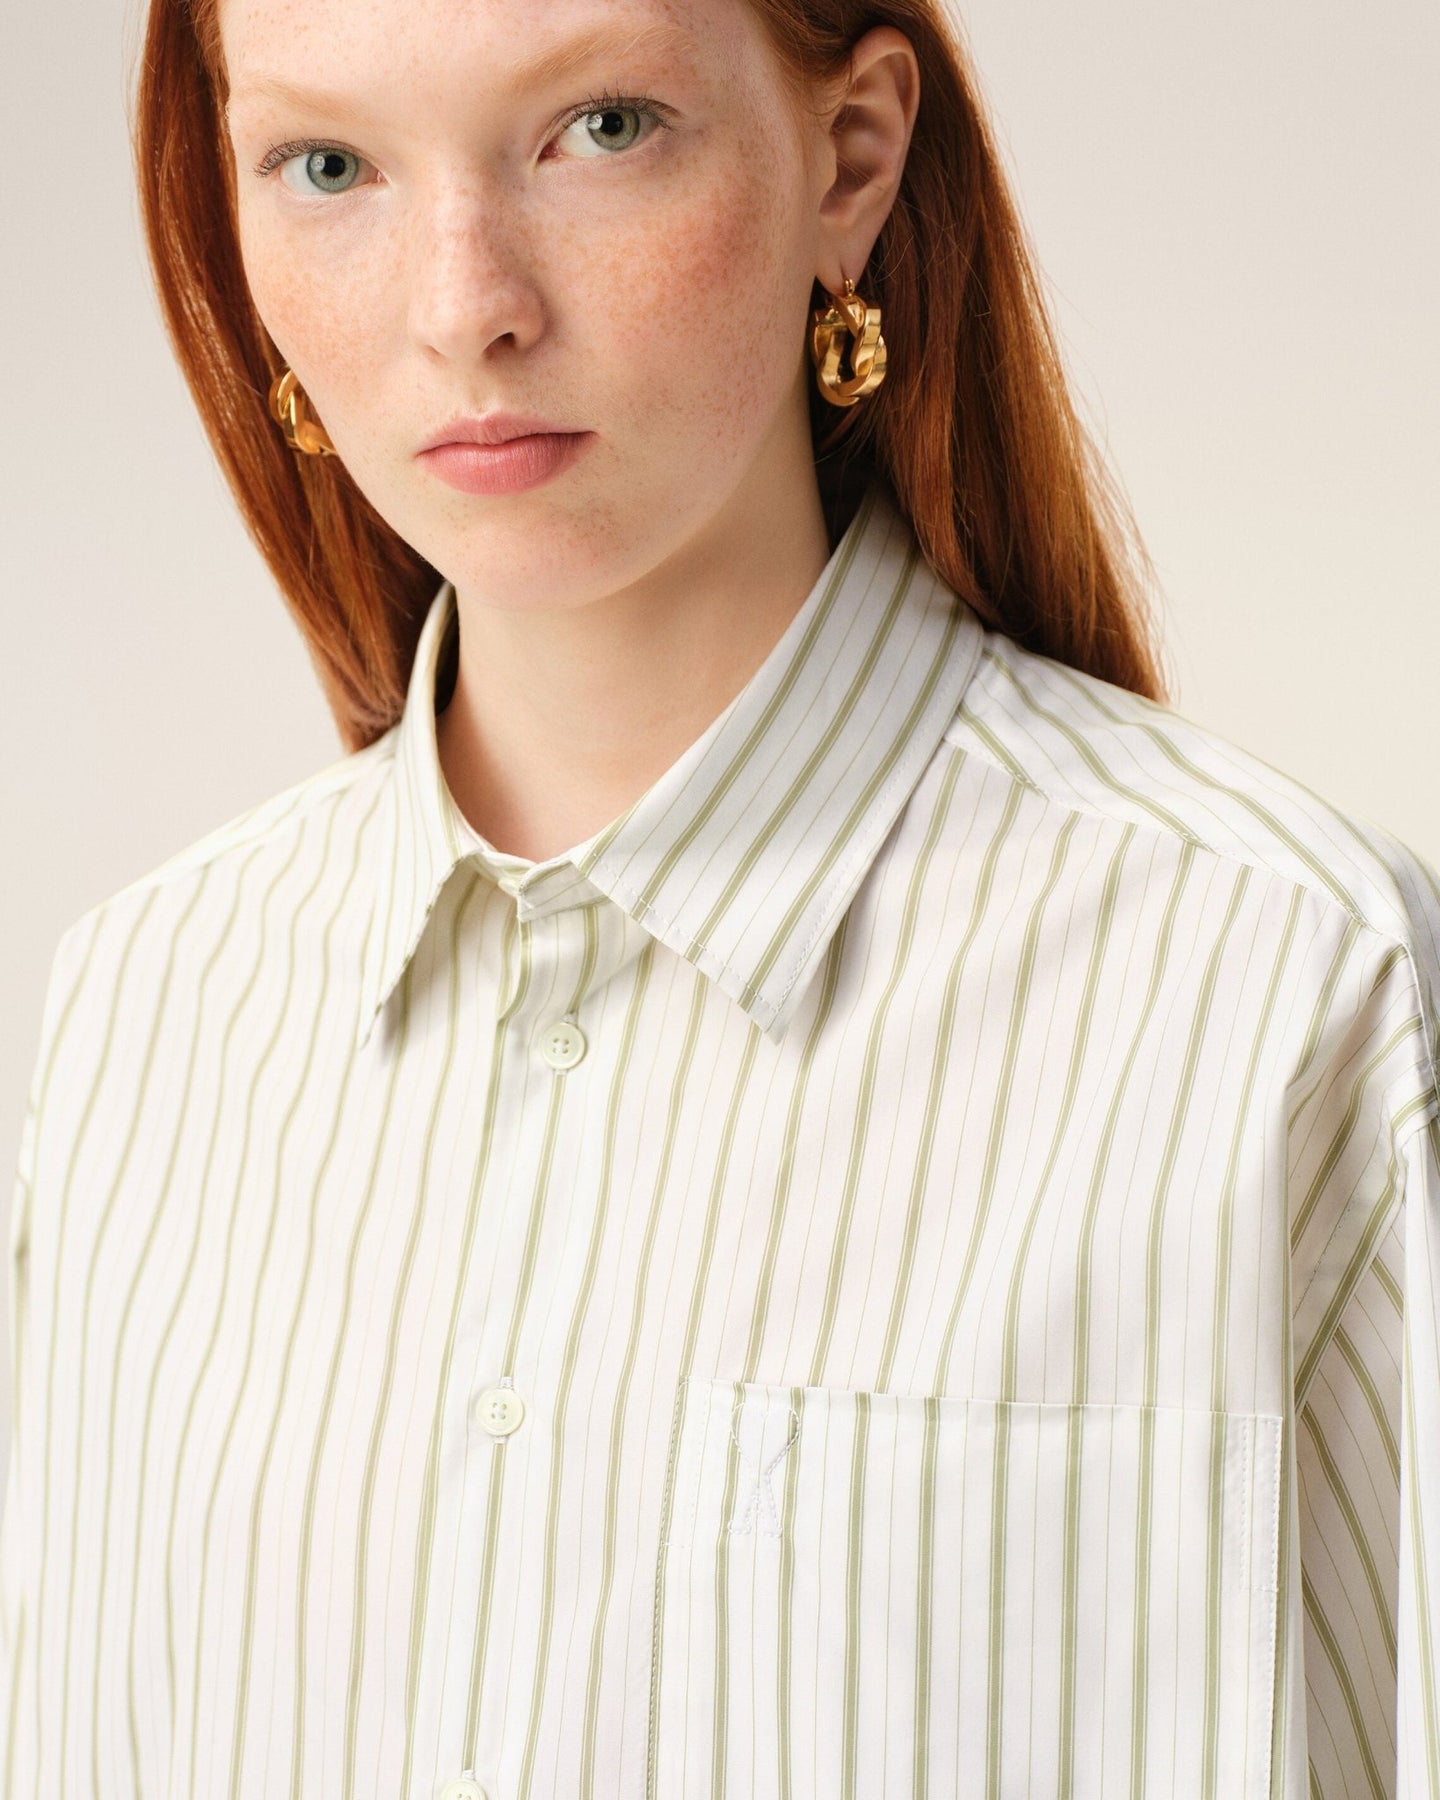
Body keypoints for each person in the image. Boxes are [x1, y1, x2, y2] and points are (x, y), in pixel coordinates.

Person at [2, 0, 1436, 1794]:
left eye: (602, 127)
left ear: (852, 156)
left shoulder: (1286, 982)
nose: (465, 306)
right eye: (328, 164)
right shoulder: (143, 1017)